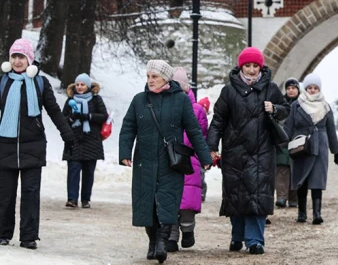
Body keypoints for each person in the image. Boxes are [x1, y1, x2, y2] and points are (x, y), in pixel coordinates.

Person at [118, 60, 212, 263]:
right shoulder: (139, 100)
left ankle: (162, 242)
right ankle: (152, 241)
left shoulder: (181, 101)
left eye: (155, 77)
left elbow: (194, 130)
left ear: (166, 79)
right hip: (145, 161)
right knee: (147, 205)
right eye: (148, 77)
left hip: (171, 162)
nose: (151, 81)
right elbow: (128, 127)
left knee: (168, 202)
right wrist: (125, 152)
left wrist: (205, 156)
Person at [207, 47, 288, 254]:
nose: (252, 70)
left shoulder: (270, 88)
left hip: (262, 151)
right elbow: (218, 120)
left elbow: (285, 108)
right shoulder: (229, 90)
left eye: (255, 66)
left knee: (258, 196)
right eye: (247, 65)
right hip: (234, 151)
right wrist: (211, 147)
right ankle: (237, 236)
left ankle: (254, 240)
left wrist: (275, 109)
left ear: (260, 67)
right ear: (241, 66)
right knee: (237, 196)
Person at [0, 39, 74, 250]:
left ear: (29, 59)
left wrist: (67, 136)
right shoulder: (2, 82)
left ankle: (29, 236)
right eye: (14, 56)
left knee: (30, 194)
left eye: (21, 57)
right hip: (5, 145)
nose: (17, 61)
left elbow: (54, 111)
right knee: (4, 194)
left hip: (33, 145)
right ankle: (3, 233)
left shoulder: (40, 83)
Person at [284, 73, 338, 225]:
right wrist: (282, 143)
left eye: (315, 88)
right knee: (301, 180)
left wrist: (336, 151)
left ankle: (317, 213)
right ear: (305, 88)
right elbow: (288, 126)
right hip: (301, 146)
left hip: (320, 146)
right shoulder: (297, 105)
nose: (312, 90)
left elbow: (331, 129)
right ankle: (301, 213)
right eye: (310, 87)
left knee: (317, 180)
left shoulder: (325, 106)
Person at [167, 68, 209, 252]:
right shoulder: (165, 106)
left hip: (189, 159)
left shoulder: (197, 110)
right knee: (171, 200)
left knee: (188, 201)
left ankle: (188, 229)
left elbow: (200, 135)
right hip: (169, 158)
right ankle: (172, 236)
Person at [62, 73, 108, 209]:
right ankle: (72, 199)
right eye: (77, 84)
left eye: (82, 84)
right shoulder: (70, 100)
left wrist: (88, 116)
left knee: (89, 172)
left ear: (88, 86)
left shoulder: (96, 99)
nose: (80, 87)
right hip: (74, 140)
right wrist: (72, 118)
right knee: (73, 169)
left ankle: (86, 199)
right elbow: (62, 119)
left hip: (92, 140)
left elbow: (103, 116)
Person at [276, 78, 299, 208]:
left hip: (297, 141)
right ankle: (281, 197)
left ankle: (293, 198)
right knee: (281, 169)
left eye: (293, 88)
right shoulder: (281, 104)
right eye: (288, 88)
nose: (290, 91)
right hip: (282, 140)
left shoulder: (303, 103)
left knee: (295, 169)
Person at [197, 96, 211, 202]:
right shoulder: (201, 117)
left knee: (200, 175)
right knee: (200, 175)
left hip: (200, 152)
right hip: (199, 152)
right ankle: (200, 194)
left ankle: (201, 194)